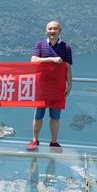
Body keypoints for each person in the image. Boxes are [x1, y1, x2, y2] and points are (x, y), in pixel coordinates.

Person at [26, 20, 73, 151]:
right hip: (41, 87)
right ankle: (35, 140)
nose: (52, 31)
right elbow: (33, 60)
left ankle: (54, 142)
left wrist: (69, 84)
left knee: (55, 117)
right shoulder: (40, 45)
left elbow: (67, 68)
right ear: (46, 31)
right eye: (50, 29)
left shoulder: (66, 47)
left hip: (58, 88)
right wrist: (52, 59)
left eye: (55, 29)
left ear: (60, 31)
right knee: (38, 115)